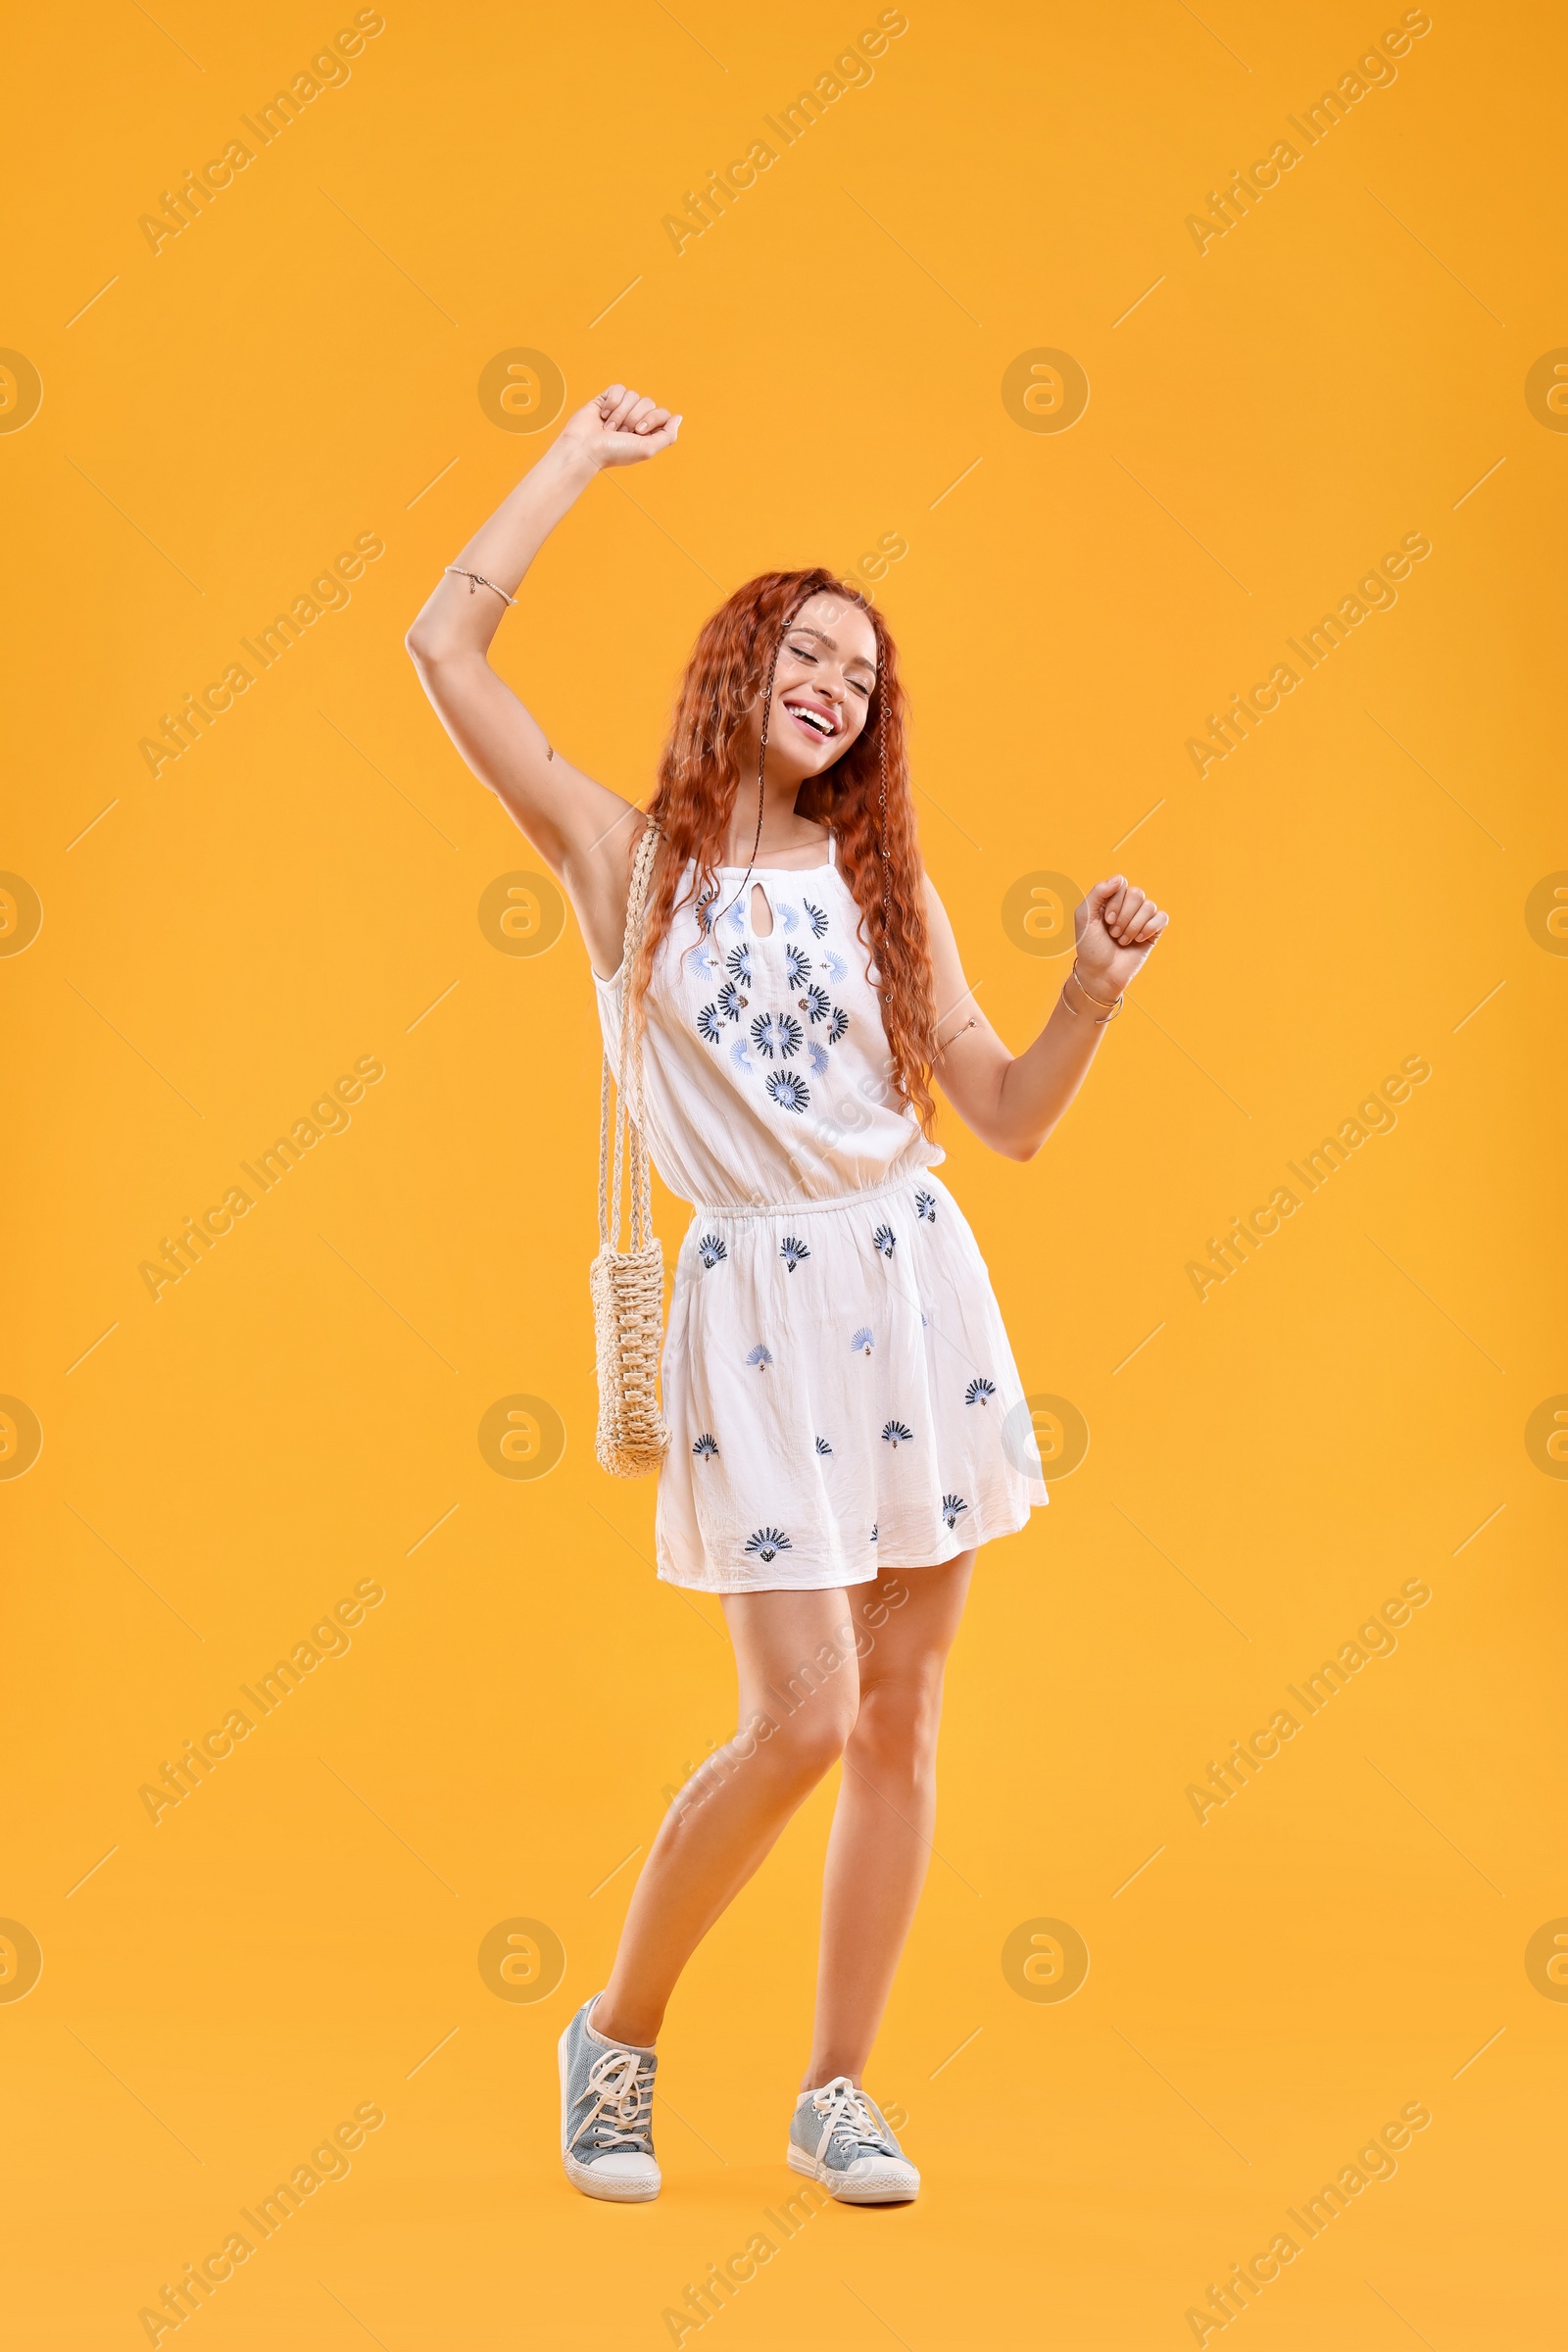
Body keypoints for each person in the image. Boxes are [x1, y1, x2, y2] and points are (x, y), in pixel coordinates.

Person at [406, 383, 1169, 2208]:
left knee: (902, 1715)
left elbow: (1005, 1119)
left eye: (862, 674)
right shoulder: (628, 862)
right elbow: (445, 643)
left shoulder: (884, 881)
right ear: (742, 658)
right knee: (804, 1717)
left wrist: (1090, 995)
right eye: (809, 649)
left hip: (912, 1294)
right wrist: (577, 458)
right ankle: (620, 2032)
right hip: (752, 1312)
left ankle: (838, 2088)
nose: (835, 681)